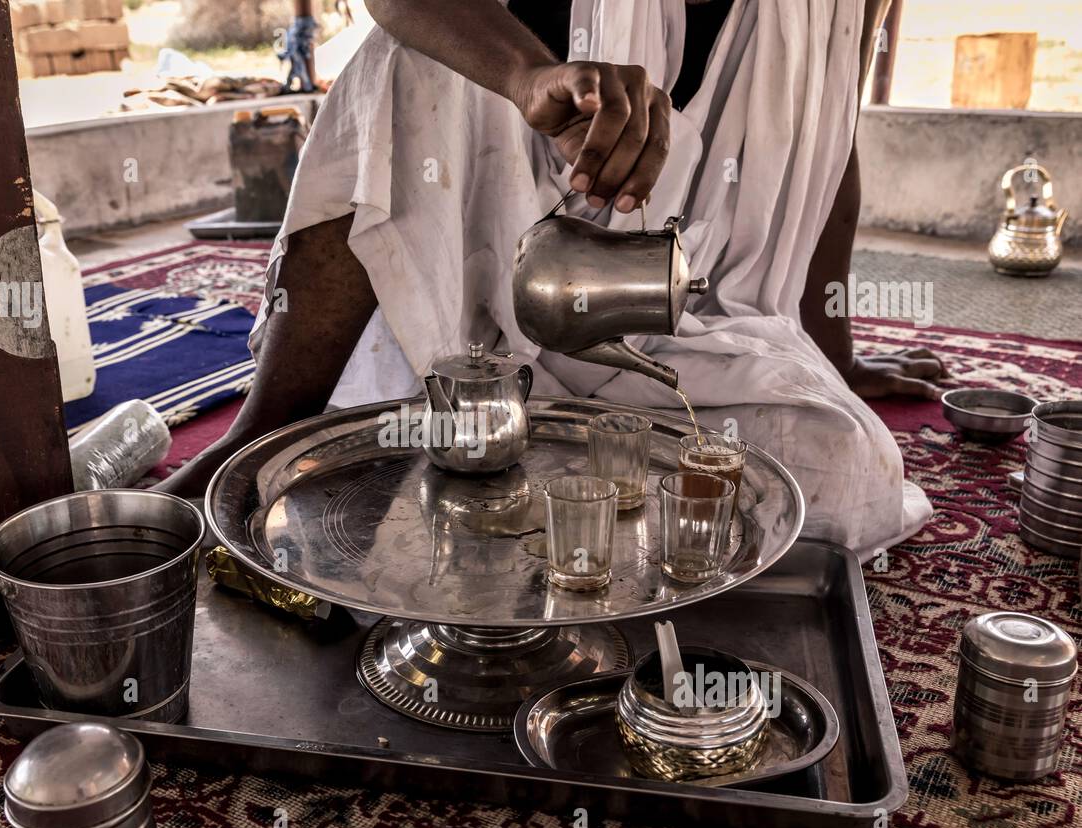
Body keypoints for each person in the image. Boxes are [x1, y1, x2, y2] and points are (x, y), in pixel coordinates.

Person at [159, 0, 941, 554]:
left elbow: (830, 136)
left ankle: (518, 489)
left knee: (850, 476)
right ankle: (261, 434)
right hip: (480, 320)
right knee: (406, 63)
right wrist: (529, 75)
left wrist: (833, 353)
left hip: (699, 333)